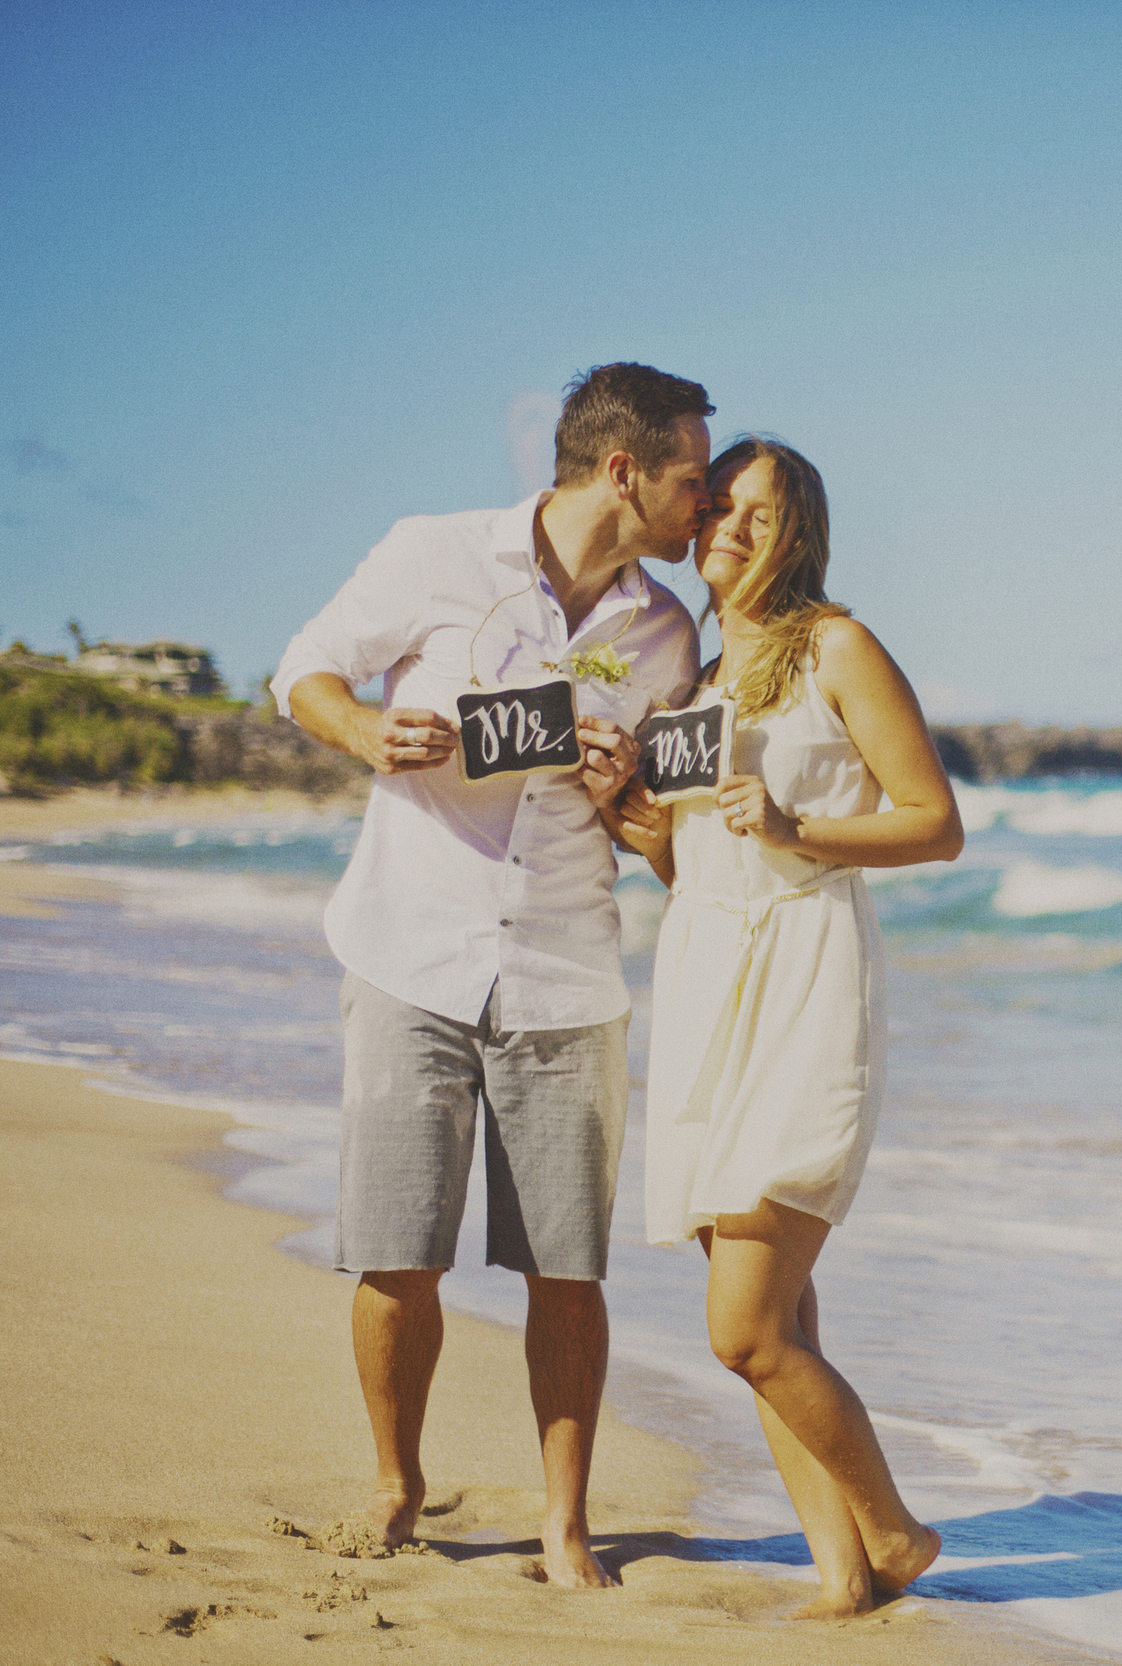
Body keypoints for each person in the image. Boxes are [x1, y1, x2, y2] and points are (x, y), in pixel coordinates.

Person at [271, 363, 713, 1587]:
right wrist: (367, 731)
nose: (706, 500)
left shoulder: (667, 631)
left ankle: (565, 1523)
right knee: (395, 1244)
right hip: (411, 944)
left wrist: (629, 789)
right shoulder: (435, 552)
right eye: (690, 476)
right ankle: (395, 1485)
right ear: (623, 471)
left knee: (565, 1266)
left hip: (569, 971)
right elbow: (300, 668)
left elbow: (663, 829)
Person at [612, 436, 963, 1617]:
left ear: (797, 532)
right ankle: (842, 1578)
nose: (733, 528)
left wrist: (797, 818)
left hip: (807, 983)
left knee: (745, 1326)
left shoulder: (838, 647)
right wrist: (645, 828)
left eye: (761, 514)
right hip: (708, 983)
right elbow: (696, 866)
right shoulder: (694, 685)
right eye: (719, 507)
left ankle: (896, 1531)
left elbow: (933, 823)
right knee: (784, 1311)